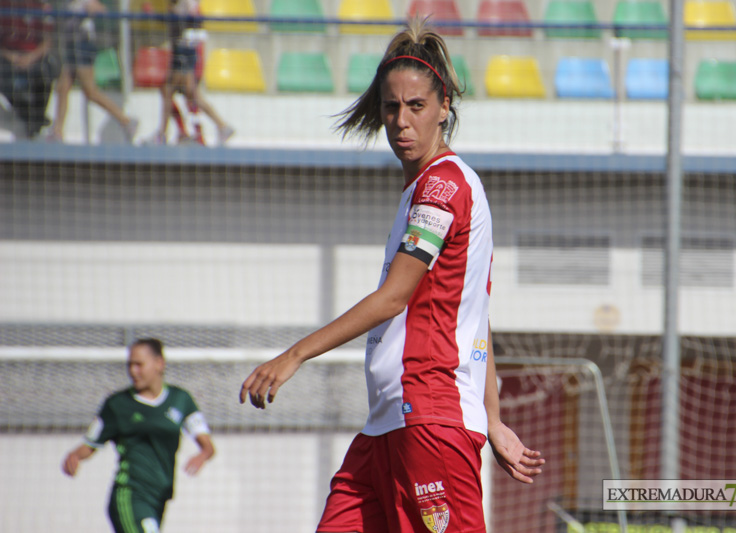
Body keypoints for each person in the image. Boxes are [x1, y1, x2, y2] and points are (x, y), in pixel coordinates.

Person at [240, 17, 545, 533]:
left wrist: (295, 354)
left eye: (417, 106)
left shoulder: (442, 188)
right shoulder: (421, 191)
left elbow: (393, 298)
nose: (401, 120)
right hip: (386, 427)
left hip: (428, 422)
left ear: (444, 106)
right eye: (391, 107)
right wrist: (491, 419)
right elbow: (475, 322)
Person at [62, 338, 215, 533]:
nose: (133, 371)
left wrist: (202, 455)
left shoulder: (181, 399)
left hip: (160, 496)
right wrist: (75, 455)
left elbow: (208, 446)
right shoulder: (117, 404)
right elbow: (91, 443)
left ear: (159, 363)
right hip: (130, 494)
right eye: (130, 365)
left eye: (139, 364)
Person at [48, 0, 139, 143]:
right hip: (72, 44)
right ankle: (57, 131)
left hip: (82, 44)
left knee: (90, 91)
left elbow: (99, 9)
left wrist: (85, 8)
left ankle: (126, 121)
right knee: (62, 88)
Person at [148, 0, 232, 146]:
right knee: (190, 94)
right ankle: (221, 126)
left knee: (169, 91)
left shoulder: (186, 4)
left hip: (183, 50)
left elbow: (181, 18)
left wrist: (155, 15)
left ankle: (163, 134)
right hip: (183, 49)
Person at [0, 0, 60, 138]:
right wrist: (11, 56)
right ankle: (31, 116)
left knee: (46, 73)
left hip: (34, 56)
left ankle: (35, 122)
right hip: (8, 56)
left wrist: (31, 57)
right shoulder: (4, 6)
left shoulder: (42, 7)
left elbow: (47, 41)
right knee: (3, 79)